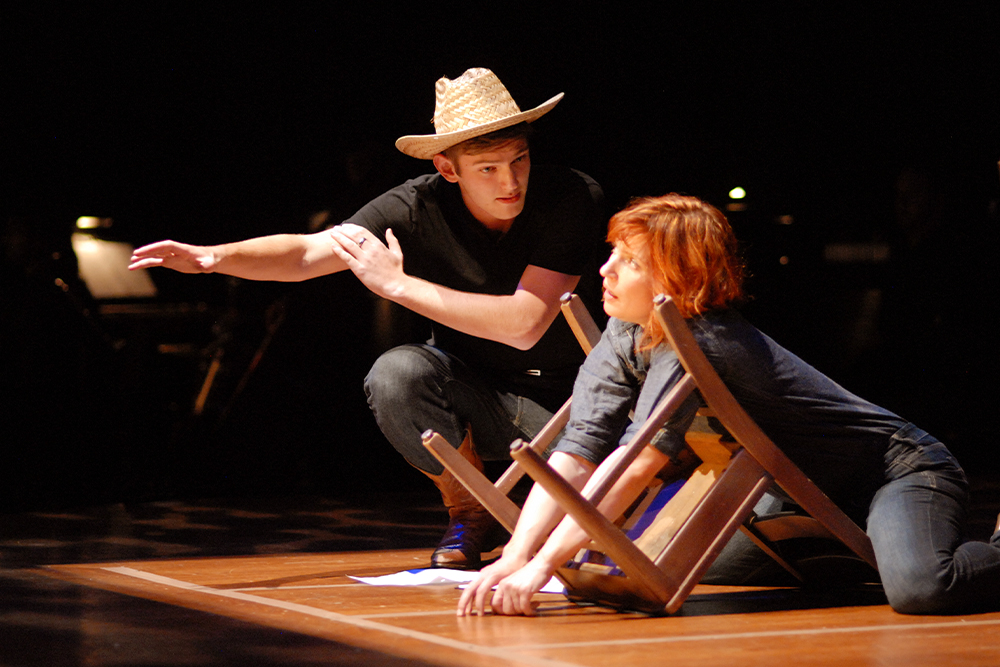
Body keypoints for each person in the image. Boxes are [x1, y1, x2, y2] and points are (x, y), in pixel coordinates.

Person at [128, 68, 606, 570]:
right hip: (482, 398)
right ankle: (474, 509)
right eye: (487, 168)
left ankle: (549, 518)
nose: (510, 182)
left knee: (605, 528)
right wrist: (212, 258)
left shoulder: (569, 196)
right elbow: (309, 253)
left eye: (519, 160)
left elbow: (524, 325)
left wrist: (398, 285)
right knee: (397, 373)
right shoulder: (417, 205)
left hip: (572, 407)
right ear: (448, 168)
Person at [458, 193, 1000, 617]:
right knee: (674, 563)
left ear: (677, 276)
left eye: (630, 261)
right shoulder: (626, 329)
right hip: (798, 497)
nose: (606, 270)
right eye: (612, 254)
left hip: (895, 472)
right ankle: (880, 547)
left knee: (922, 589)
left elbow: (635, 463)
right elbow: (577, 451)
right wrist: (517, 555)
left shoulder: (698, 340)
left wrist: (543, 566)